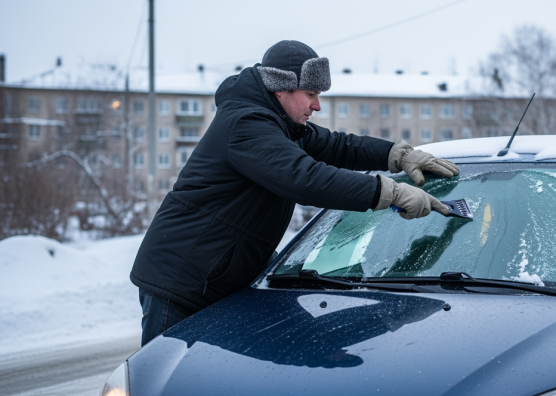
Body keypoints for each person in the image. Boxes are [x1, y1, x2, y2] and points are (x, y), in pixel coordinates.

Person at [130, 40, 460, 346]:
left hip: (220, 276)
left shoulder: (282, 125)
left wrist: (397, 154)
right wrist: (389, 192)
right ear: (281, 86)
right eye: (311, 93)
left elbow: (338, 146)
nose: (317, 105)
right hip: (181, 282)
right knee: (168, 390)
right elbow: (304, 178)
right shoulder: (246, 125)